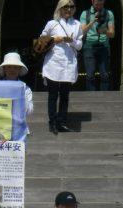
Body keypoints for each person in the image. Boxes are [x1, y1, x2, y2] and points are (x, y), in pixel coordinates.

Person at [41, 0, 83, 134]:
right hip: (54, 62)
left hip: (68, 63)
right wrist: (54, 40)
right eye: (66, 7)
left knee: (65, 95)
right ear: (60, 8)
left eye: (71, 7)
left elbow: (80, 45)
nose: (69, 10)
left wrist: (72, 41)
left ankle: (62, 122)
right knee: (53, 95)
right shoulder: (52, 23)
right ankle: (52, 122)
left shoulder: (77, 25)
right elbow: (42, 40)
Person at [80, 0, 115, 91]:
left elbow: (112, 34)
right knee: (90, 74)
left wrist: (105, 31)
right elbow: (82, 32)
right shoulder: (85, 14)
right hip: (89, 46)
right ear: (92, 2)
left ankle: (104, 97)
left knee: (104, 74)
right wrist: (92, 21)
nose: (99, 6)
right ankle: (91, 97)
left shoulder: (109, 13)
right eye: (97, 4)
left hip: (104, 46)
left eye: (101, 4)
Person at [0, 52, 33, 134]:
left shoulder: (25, 89)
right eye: (9, 67)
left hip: (19, 128)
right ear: (4, 69)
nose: (12, 70)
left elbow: (29, 110)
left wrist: (19, 96)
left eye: (15, 67)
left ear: (20, 69)